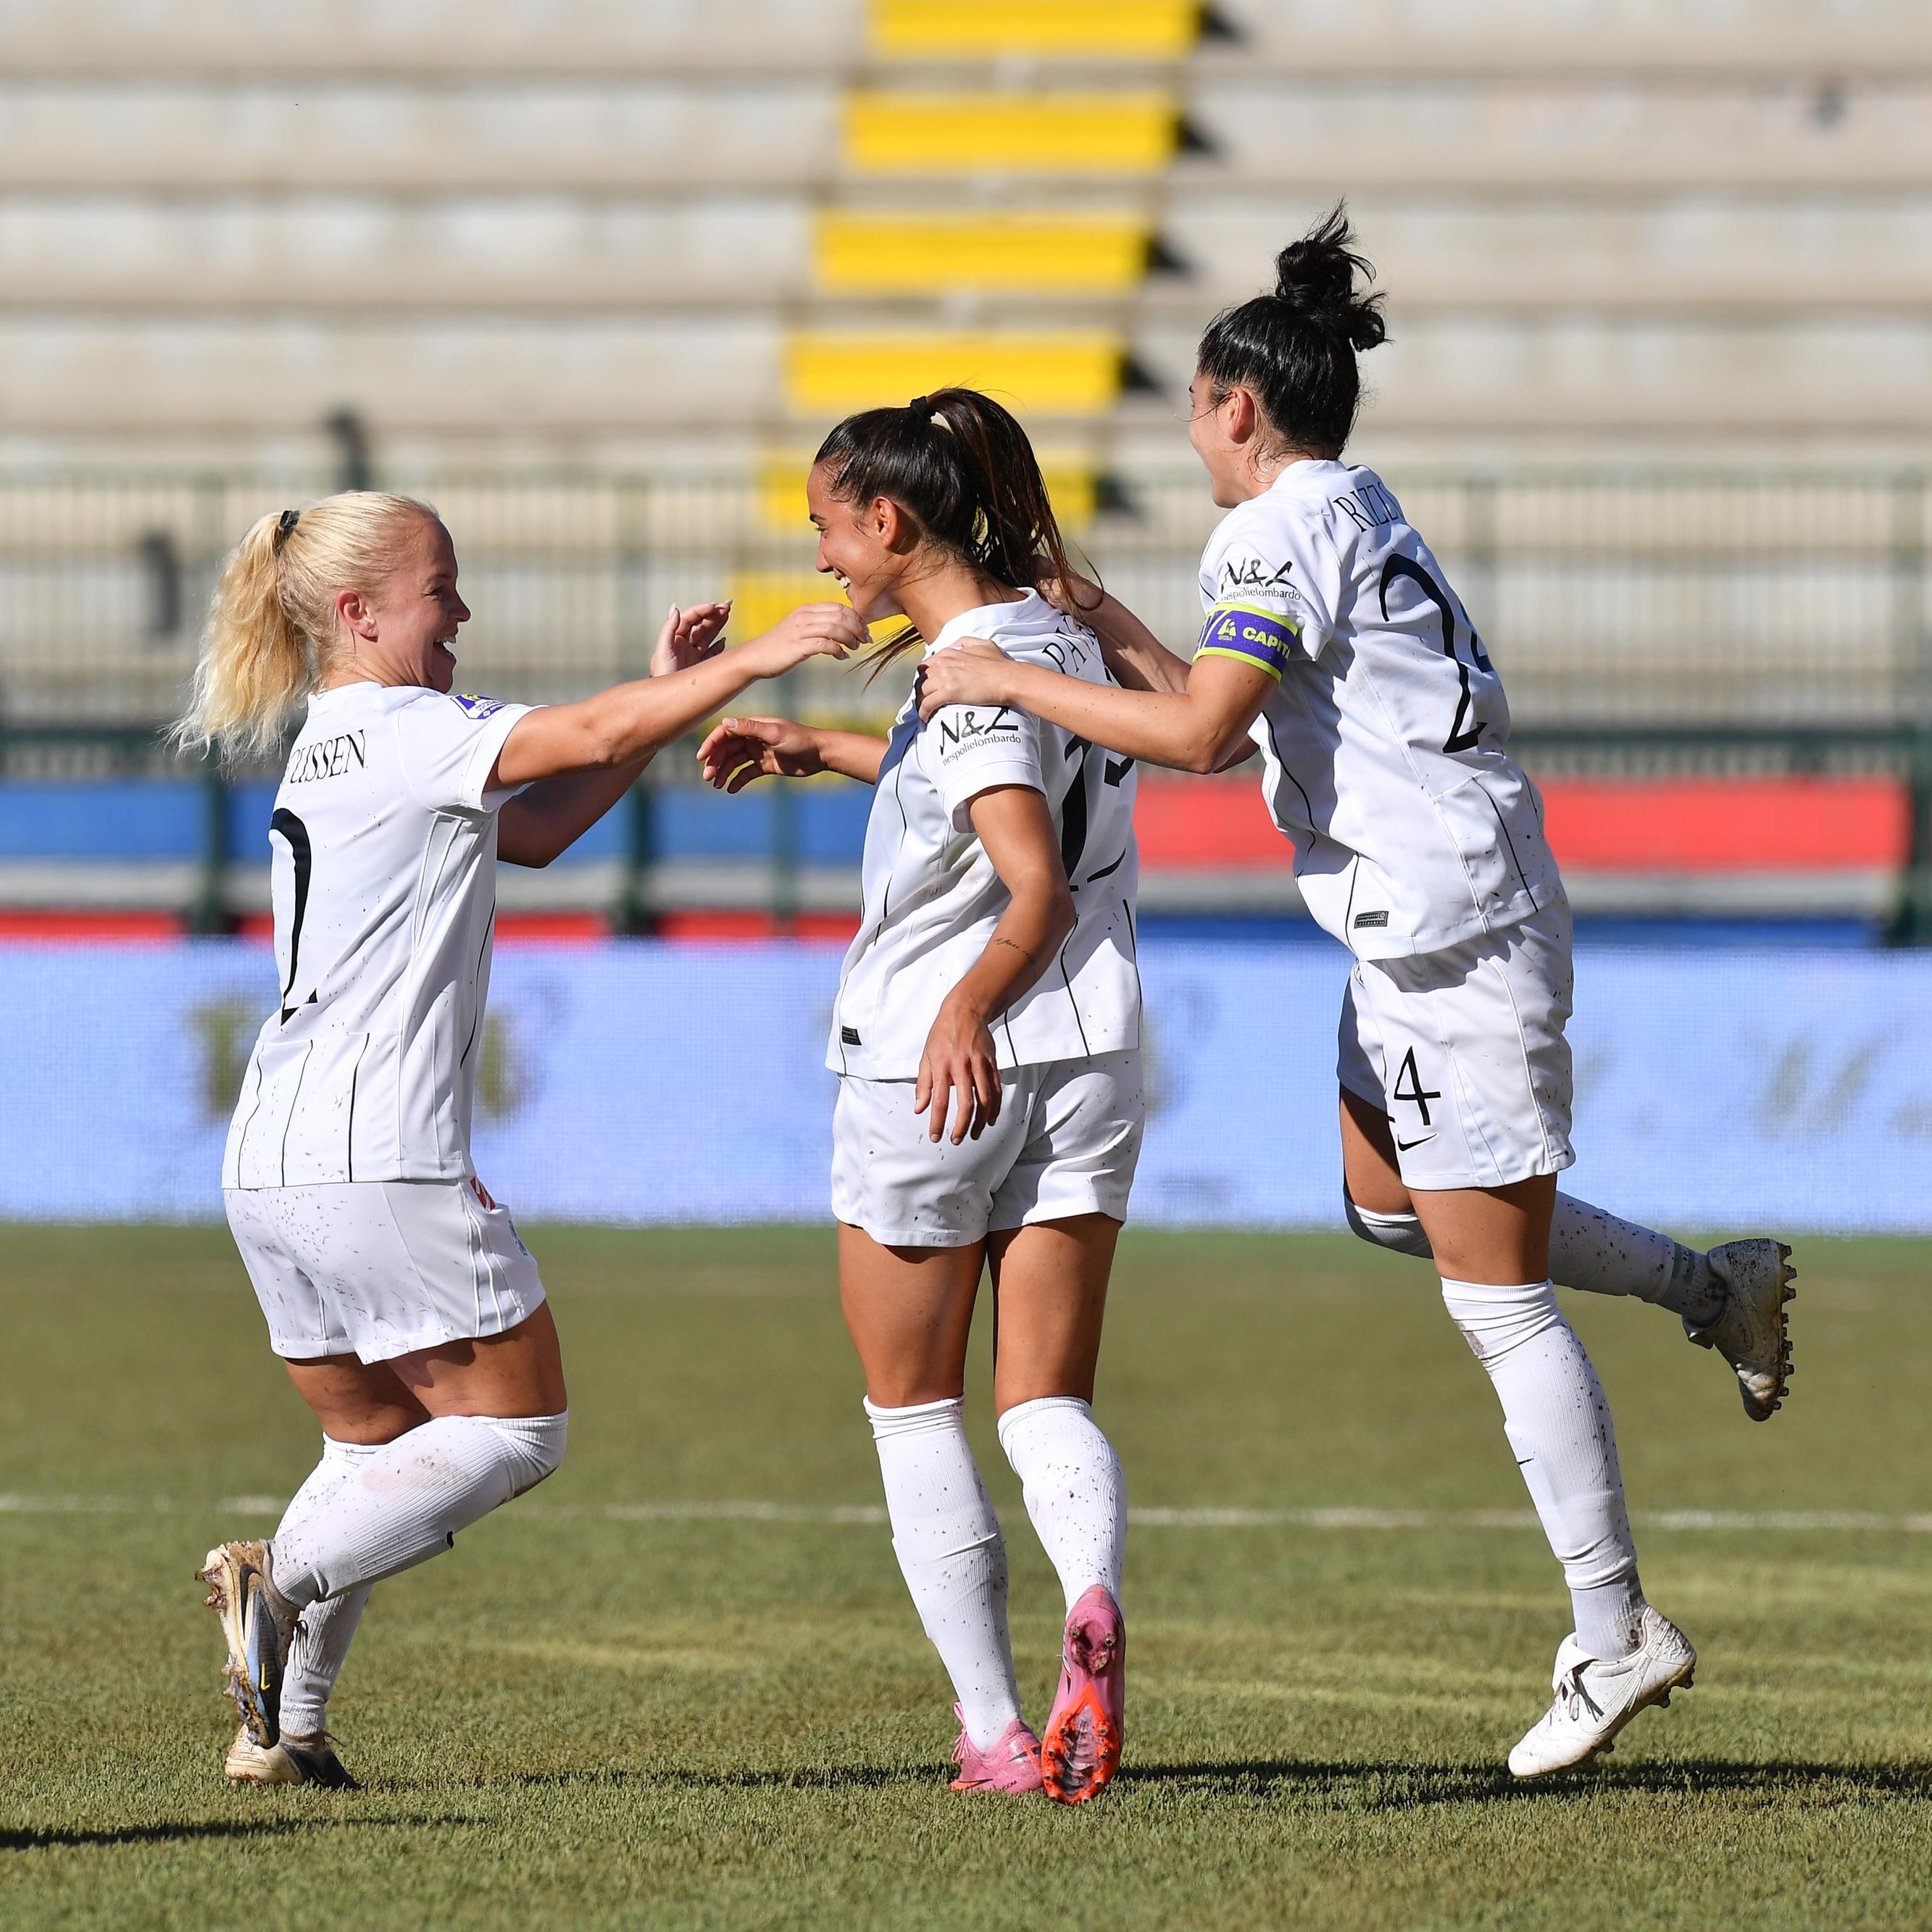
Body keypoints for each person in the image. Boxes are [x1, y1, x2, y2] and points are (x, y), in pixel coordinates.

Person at [915, 209, 1796, 1779]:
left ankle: (1614, 1628)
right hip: (1430, 917)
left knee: (1492, 1292)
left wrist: (998, 672)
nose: (1190, 434)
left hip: (1445, 932)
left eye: (1194, 406)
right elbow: (1222, 701)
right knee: (1392, 1206)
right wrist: (1097, 613)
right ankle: (1706, 1291)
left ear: (1236, 406)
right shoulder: (1344, 501)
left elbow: (1189, 740)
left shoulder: (1261, 536)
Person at [175, 489, 862, 1786]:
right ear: (363, 613)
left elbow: (533, 833)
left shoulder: (335, 737)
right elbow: (584, 729)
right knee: (518, 1431)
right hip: (374, 1146)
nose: (464, 612)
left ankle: (287, 1730)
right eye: (444, 588)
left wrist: (669, 696)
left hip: (266, 1153)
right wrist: (744, 662)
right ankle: (283, 1578)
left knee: (372, 1447)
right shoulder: (407, 725)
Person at [698, 391, 1144, 1802]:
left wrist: (962, 1004)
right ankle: (1090, 1590)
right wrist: (822, 749)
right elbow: (1010, 794)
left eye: (829, 527)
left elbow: (1028, 874)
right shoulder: (1061, 633)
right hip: (1092, 1050)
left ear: (888, 521)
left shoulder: (964, 667)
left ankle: (996, 1731)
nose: (824, 553)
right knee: (1042, 1397)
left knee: (909, 1406)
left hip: (940, 1061)